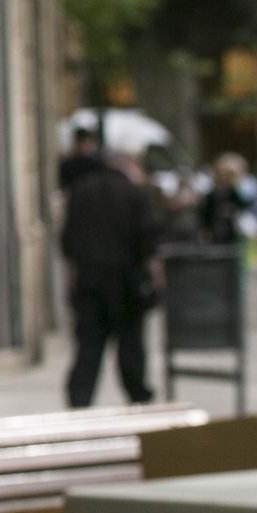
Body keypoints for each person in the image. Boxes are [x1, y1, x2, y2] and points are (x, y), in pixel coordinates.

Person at [61, 148, 165, 409]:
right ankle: (138, 396)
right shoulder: (135, 193)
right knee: (131, 346)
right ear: (128, 165)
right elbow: (148, 242)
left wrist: (71, 280)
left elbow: (68, 241)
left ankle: (80, 400)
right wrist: (157, 281)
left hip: (90, 280)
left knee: (89, 347)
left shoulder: (80, 190)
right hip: (127, 282)